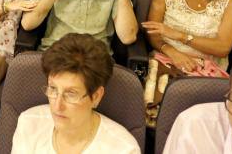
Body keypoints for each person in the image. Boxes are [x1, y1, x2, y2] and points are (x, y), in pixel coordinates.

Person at [11, 33, 141, 154]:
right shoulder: (29, 124)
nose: (57, 106)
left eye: (71, 94)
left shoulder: (123, 149)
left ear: (96, 96)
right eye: (53, 89)